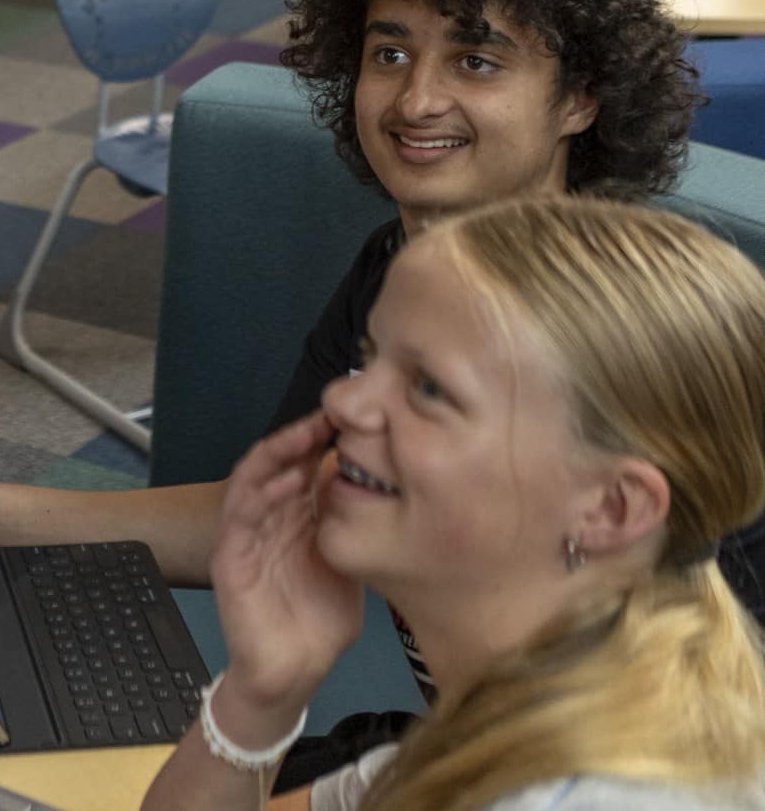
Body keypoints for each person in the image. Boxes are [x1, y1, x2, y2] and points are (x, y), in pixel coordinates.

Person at [0, 0, 746, 776]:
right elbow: (286, 510)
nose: (416, 99)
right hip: (467, 735)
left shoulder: (639, 342)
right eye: (391, 51)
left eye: (478, 59)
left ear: (580, 98)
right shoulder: (395, 273)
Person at [143, 195, 765, 811]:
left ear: (611, 509)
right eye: (371, 360)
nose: (344, 403)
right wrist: (265, 690)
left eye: (430, 389)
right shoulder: (491, 745)